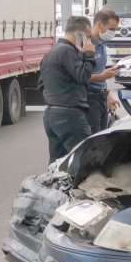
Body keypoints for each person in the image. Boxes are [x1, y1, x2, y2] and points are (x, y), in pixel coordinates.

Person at [39, 16, 96, 162]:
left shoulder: (51, 52)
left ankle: (53, 185)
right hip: (69, 114)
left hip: (51, 114)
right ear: (78, 33)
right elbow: (83, 76)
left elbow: (41, 85)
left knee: (58, 163)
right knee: (85, 159)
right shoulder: (67, 51)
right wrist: (89, 54)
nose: (89, 41)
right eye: (88, 36)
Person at [85, 9, 121, 134]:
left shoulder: (102, 43)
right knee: (93, 139)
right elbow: (80, 76)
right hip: (89, 98)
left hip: (101, 96)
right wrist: (102, 76)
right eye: (111, 29)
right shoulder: (86, 44)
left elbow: (99, 71)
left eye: (115, 29)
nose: (113, 33)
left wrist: (107, 94)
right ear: (99, 25)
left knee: (103, 137)